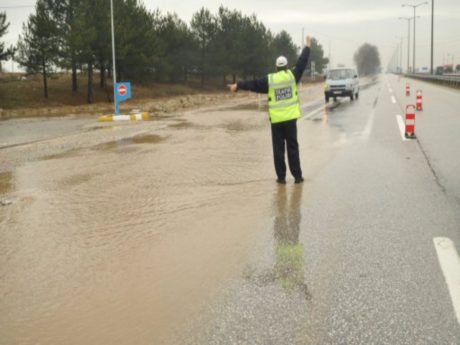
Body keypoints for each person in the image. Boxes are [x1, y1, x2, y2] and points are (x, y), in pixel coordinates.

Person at [228, 36, 312, 184]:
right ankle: (298, 177)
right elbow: (302, 62)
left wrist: (238, 85)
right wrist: (308, 46)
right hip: (291, 119)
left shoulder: (270, 80)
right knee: (293, 148)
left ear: (276, 67)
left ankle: (281, 178)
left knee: (279, 150)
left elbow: (253, 84)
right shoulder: (292, 76)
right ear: (286, 67)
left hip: (277, 121)